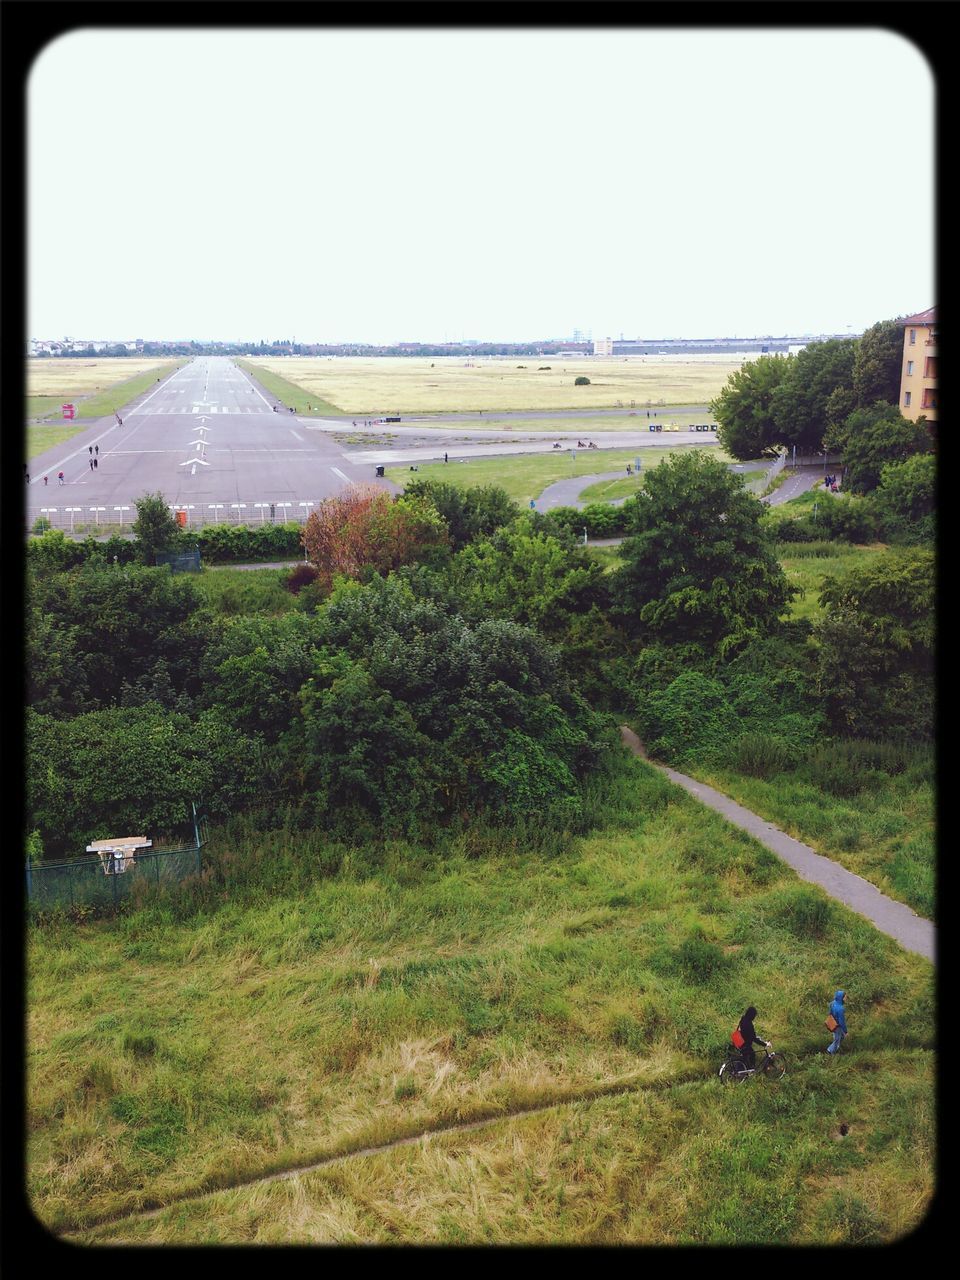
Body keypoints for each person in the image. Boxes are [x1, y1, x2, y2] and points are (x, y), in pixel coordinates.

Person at [735, 1006, 769, 1070]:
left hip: (739, 1041)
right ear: (752, 1015)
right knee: (751, 1054)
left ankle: (745, 1068)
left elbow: (746, 1032)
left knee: (747, 1055)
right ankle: (750, 1070)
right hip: (745, 1044)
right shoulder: (749, 1024)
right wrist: (764, 1044)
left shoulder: (743, 1018)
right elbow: (753, 1038)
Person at [826, 990, 848, 1054]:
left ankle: (834, 1048)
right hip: (837, 1026)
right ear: (841, 998)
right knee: (837, 1039)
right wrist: (846, 1032)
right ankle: (830, 1051)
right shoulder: (840, 1009)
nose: (846, 998)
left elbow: (830, 1011)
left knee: (840, 1037)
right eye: (845, 997)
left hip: (832, 1023)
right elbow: (842, 1022)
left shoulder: (833, 1003)